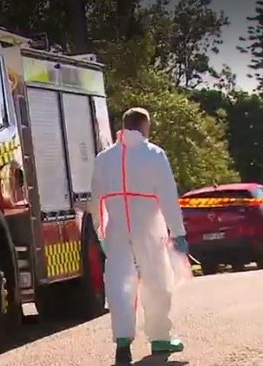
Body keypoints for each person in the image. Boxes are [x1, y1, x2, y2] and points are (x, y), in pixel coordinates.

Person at [88, 107, 189, 365]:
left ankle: (123, 343)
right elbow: (167, 196)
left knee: (121, 284)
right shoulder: (154, 155)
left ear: (123, 126)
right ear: (145, 127)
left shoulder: (103, 158)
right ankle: (160, 338)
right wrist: (177, 231)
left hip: (117, 228)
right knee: (157, 280)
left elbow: (95, 201)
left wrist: (101, 232)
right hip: (148, 225)